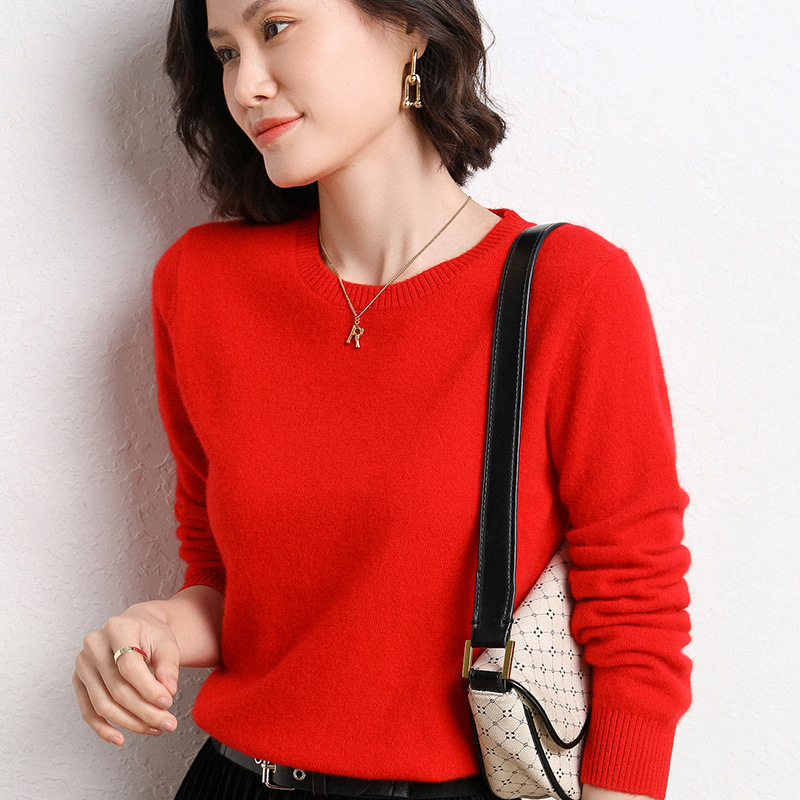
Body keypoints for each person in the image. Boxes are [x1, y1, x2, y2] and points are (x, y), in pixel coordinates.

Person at [72, 1, 692, 799]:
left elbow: (635, 610)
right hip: (234, 781)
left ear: (408, 27)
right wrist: (153, 629)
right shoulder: (200, 286)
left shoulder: (569, 288)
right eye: (225, 53)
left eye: (275, 28)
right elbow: (224, 580)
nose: (247, 84)